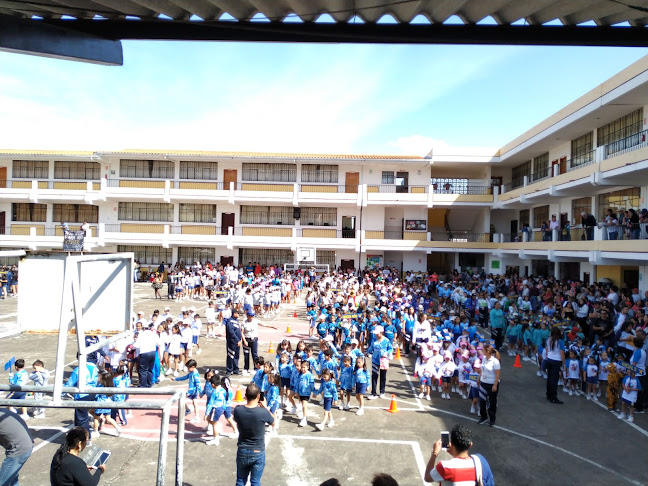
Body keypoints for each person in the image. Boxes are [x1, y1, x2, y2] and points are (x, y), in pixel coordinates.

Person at [424, 424, 494, 486]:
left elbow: (427, 477)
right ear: (470, 445)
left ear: (451, 444)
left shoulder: (445, 467)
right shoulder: (480, 461)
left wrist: (434, 453)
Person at [233, 383, 274, 486]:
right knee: (255, 482)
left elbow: (236, 419)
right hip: (258, 451)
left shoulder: (238, 410)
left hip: (242, 449)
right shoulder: (263, 412)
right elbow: (273, 422)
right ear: (258, 396)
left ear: (245, 395)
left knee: (240, 481)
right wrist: (265, 406)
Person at [0, 409, 33, 486]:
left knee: (3, 482)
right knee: (12, 480)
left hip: (19, 449)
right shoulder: (3, 412)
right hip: (24, 445)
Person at [477, 344, 501, 426]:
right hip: (483, 383)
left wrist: (495, 385)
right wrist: (479, 378)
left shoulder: (495, 361)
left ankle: (492, 419)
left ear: (487, 351)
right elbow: (482, 370)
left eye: (483, 350)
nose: (482, 351)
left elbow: (497, 374)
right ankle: (483, 417)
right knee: (482, 401)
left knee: (492, 402)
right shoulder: (484, 358)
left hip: (491, 384)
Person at [545, 326, 566, 404]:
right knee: (554, 379)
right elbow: (562, 353)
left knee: (549, 378)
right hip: (556, 361)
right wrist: (564, 363)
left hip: (549, 359)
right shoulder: (560, 341)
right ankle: (553, 397)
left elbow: (547, 350)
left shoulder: (549, 340)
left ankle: (548, 394)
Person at [226, 309, 243, 376]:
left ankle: (236, 369)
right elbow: (231, 332)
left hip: (237, 342)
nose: (239, 314)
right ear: (234, 313)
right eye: (237, 313)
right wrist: (237, 340)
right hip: (232, 342)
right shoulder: (230, 321)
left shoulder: (236, 321)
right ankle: (229, 370)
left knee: (236, 356)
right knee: (230, 356)